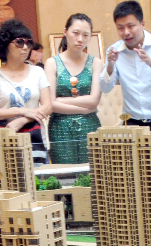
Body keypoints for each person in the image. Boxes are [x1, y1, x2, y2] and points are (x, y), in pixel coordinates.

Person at [101, 1, 151, 155]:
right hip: (132, 124)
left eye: (131, 26)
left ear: (142, 24)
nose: (126, 32)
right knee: (134, 168)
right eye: (120, 28)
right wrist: (110, 65)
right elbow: (105, 88)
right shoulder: (114, 51)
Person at [0, 19, 51, 165]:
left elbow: (48, 106)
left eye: (29, 43)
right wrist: (21, 111)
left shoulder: (38, 72)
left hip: (36, 140)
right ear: (5, 45)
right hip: (6, 141)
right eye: (19, 42)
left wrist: (23, 119)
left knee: (39, 177)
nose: (25, 47)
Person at [45, 13, 103, 164]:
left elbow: (94, 100)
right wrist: (85, 110)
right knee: (64, 172)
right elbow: (50, 105)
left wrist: (60, 100)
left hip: (90, 126)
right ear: (65, 32)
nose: (80, 39)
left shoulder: (96, 63)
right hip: (60, 128)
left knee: (94, 171)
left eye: (85, 35)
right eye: (75, 33)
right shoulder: (52, 63)